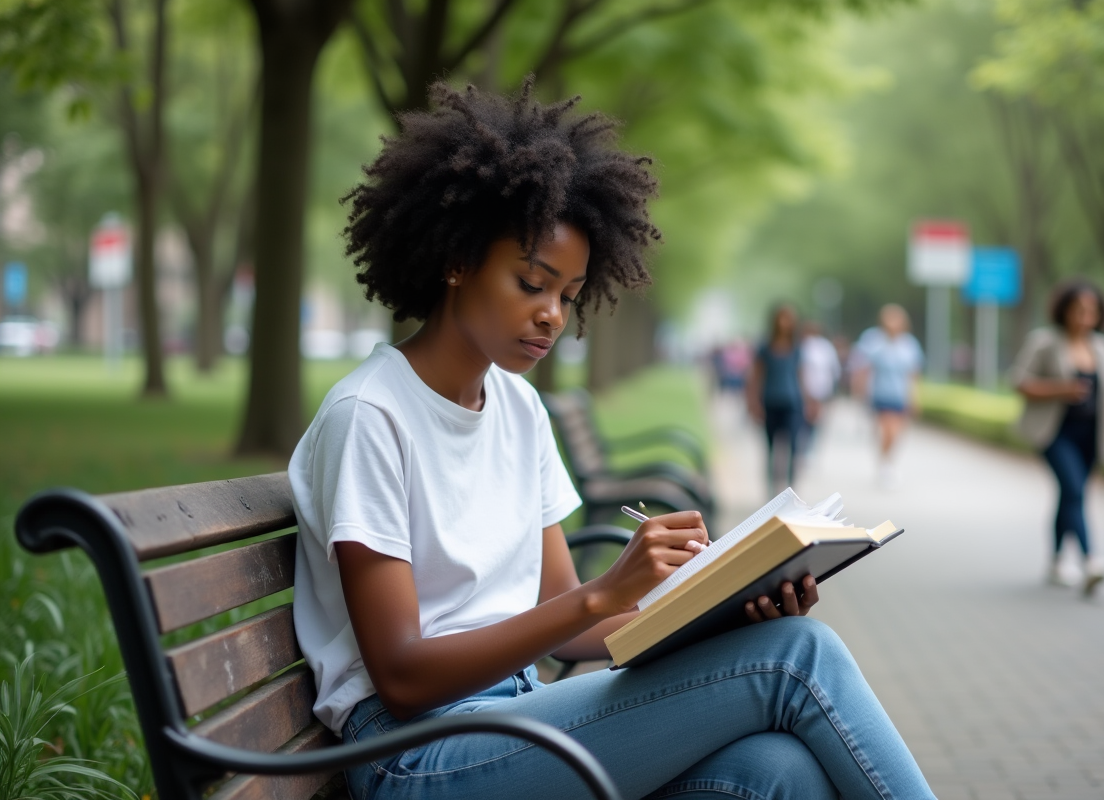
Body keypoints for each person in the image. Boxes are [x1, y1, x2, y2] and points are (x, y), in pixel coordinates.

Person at [289, 79, 935, 800]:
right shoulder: (370, 417)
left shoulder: (518, 408)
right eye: (531, 283)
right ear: (457, 260)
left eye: (567, 295)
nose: (552, 316)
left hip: (511, 719)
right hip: (415, 758)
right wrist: (603, 595)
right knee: (797, 658)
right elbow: (405, 678)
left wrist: (721, 614)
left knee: (777, 772)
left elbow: (567, 628)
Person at [1011, 280, 1104, 595]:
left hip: (1091, 436)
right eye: (1078, 309)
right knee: (1073, 489)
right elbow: (1019, 382)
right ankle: (1091, 561)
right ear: (1063, 310)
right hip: (1055, 433)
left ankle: (1054, 563)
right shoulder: (1045, 342)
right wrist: (1061, 389)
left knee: (1070, 497)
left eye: (1091, 310)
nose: (1084, 316)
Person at [853, 305, 923, 486]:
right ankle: (885, 465)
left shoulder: (909, 344)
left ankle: (886, 460)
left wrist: (914, 397)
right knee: (887, 430)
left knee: (897, 432)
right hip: (880, 393)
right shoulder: (873, 341)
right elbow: (864, 368)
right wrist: (861, 392)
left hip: (900, 394)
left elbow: (913, 375)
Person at [745, 305, 809, 492]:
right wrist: (753, 402)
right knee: (771, 449)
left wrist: (807, 400)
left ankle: (791, 488)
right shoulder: (765, 348)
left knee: (794, 447)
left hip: (792, 403)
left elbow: (800, 376)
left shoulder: (796, 348)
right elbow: (756, 376)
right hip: (770, 402)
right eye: (782, 318)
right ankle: (773, 488)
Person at [800, 320, 841, 453]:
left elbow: (834, 369)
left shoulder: (824, 347)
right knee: (807, 416)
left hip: (819, 389)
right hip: (806, 388)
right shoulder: (802, 346)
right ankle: (805, 444)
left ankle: (808, 445)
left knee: (814, 418)